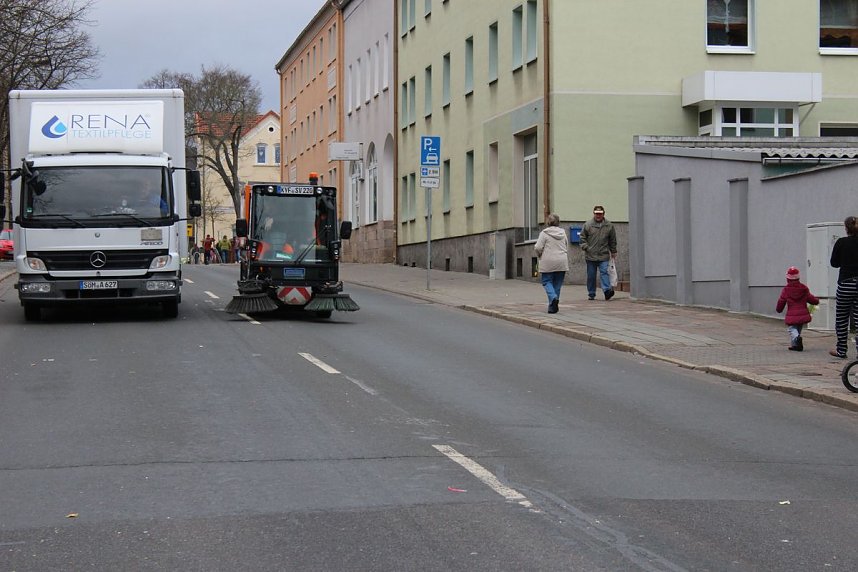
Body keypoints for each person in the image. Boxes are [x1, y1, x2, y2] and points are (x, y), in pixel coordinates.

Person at [829, 215, 858, 358]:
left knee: (842, 317)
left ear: (846, 228)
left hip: (845, 283)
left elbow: (834, 263)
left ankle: (841, 350)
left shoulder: (841, 242)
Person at [776, 266, 819, 352]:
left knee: (792, 329)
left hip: (792, 314)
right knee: (798, 328)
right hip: (802, 314)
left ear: (788, 279)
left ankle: (796, 339)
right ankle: (795, 345)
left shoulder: (786, 290)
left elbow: (781, 301)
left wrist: (779, 309)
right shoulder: (803, 288)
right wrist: (816, 301)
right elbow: (810, 298)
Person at [579, 205, 618, 301]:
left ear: (603, 214)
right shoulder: (588, 225)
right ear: (594, 214)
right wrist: (586, 247)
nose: (598, 216)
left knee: (604, 272)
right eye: (596, 214)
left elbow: (612, 240)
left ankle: (607, 291)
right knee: (591, 275)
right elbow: (582, 238)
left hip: (603, 255)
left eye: (600, 214)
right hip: (590, 256)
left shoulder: (609, 226)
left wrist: (613, 251)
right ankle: (591, 293)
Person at [534, 213, 569, 314]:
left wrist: (539, 255)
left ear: (548, 222)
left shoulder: (544, 233)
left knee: (547, 281)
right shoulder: (563, 233)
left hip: (548, 261)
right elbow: (566, 245)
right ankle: (553, 307)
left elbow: (538, 247)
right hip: (562, 261)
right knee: (557, 284)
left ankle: (553, 298)